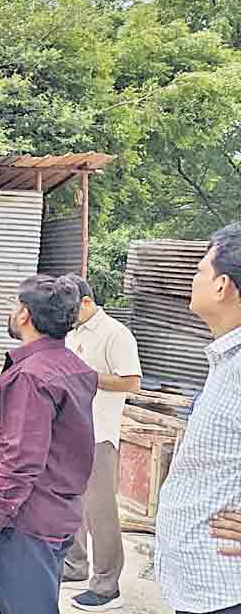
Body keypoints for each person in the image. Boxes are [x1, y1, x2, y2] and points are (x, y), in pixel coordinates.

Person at [0, 275, 97, 614]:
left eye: (14, 306)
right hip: (54, 513)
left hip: (25, 522)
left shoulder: (32, 375)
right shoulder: (72, 367)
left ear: (24, 315)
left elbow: (22, 459)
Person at [156, 222, 241, 614]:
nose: (193, 279)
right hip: (200, 585)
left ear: (222, 285)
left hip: (225, 592)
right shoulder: (226, 361)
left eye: (199, 271)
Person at [61, 274, 142, 612]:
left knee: (100, 511)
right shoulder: (73, 332)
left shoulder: (116, 334)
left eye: (69, 309)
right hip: (70, 430)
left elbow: (131, 382)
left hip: (99, 434)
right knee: (72, 504)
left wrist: (88, 378)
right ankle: (75, 565)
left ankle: (107, 585)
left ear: (87, 302)